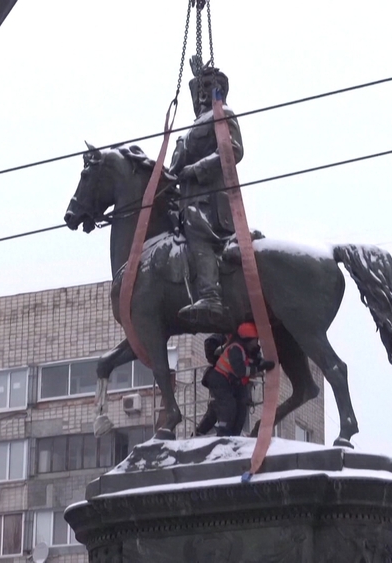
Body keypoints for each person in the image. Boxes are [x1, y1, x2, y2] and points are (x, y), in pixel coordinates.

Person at [168, 56, 244, 326]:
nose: (199, 95)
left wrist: (196, 170)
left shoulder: (222, 115)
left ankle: (211, 296)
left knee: (197, 230)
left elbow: (233, 150)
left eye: (206, 90)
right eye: (197, 90)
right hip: (187, 198)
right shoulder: (193, 127)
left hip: (211, 201)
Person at [194, 323, 274, 437]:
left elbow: (250, 363)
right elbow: (241, 370)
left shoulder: (248, 350)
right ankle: (222, 432)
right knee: (228, 405)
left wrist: (260, 363)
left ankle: (233, 435)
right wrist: (258, 368)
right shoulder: (235, 348)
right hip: (219, 379)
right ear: (248, 339)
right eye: (255, 340)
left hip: (232, 381)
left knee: (240, 407)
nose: (257, 343)